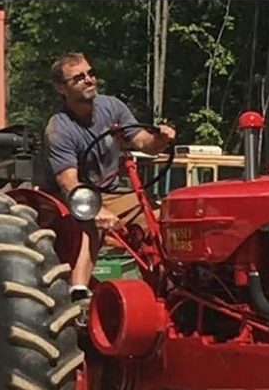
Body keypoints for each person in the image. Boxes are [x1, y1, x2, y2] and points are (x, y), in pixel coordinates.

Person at [41, 52, 176, 303]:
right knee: (91, 224)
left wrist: (160, 139)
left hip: (113, 193)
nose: (89, 80)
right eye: (78, 78)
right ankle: (78, 294)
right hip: (70, 199)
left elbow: (142, 142)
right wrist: (96, 210)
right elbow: (68, 183)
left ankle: (169, 289)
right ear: (61, 88)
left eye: (91, 74)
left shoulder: (112, 107)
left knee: (160, 219)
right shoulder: (59, 128)